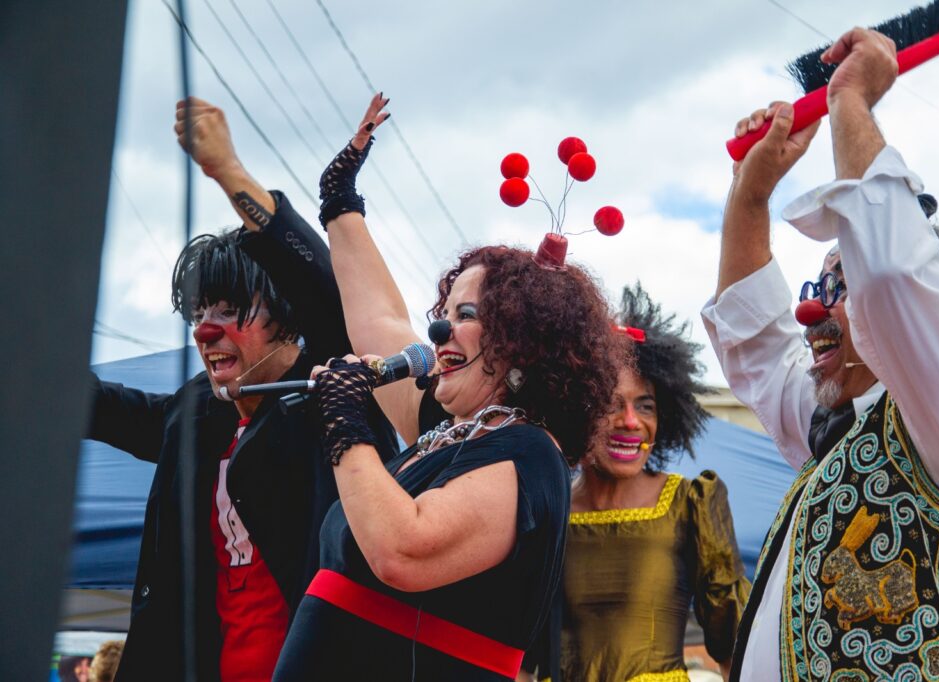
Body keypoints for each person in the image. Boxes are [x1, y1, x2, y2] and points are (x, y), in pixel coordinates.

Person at [702, 27, 939, 681]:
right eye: (815, 288)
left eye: (837, 289)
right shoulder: (834, 431)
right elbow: (756, 344)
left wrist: (850, 103)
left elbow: (895, 282)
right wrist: (750, 194)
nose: (811, 312)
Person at [272, 94, 626, 681]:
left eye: (466, 313)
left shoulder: (526, 451)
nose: (439, 328)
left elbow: (402, 549)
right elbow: (382, 319)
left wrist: (346, 424)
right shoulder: (445, 436)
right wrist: (340, 204)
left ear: (523, 337)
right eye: (445, 310)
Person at [86, 98, 396, 681]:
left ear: (283, 318)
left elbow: (323, 289)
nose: (207, 330)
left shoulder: (328, 388)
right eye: (199, 311)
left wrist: (228, 171)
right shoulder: (195, 413)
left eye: (230, 309)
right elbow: (92, 405)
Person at [529, 284, 750, 682]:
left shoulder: (692, 502)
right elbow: (521, 654)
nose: (631, 422)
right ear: (573, 410)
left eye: (645, 405)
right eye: (610, 404)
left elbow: (733, 639)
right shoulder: (546, 507)